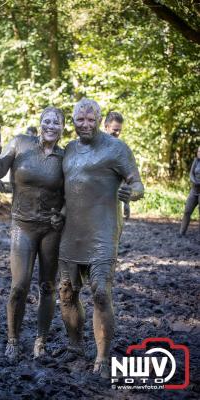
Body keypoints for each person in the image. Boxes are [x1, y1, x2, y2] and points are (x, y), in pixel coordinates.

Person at [58, 98, 144, 378]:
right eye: (80, 120)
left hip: (103, 231)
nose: (85, 124)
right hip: (72, 232)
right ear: (73, 121)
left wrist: (132, 192)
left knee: (100, 292)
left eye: (90, 119)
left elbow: (138, 183)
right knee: (67, 292)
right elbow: (66, 189)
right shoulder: (69, 149)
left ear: (99, 119)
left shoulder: (116, 148)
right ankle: (75, 346)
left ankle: (103, 357)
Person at [0, 106, 65, 362]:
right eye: (47, 121)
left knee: (47, 286)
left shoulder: (66, 156)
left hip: (51, 229)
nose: (51, 126)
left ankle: (40, 341)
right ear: (40, 123)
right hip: (23, 225)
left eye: (57, 122)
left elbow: (74, 192)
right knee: (19, 286)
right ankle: (13, 339)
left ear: (63, 127)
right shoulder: (20, 143)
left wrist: (62, 213)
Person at [105, 111, 130, 220]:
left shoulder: (121, 150)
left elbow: (126, 178)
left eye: (119, 130)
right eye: (115, 130)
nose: (118, 133)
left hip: (113, 204)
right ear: (106, 126)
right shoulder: (93, 145)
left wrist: (126, 204)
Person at [180, 146, 200, 235]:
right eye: (198, 151)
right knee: (187, 211)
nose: (199, 153)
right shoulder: (196, 161)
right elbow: (191, 173)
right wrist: (194, 181)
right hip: (194, 190)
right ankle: (181, 233)